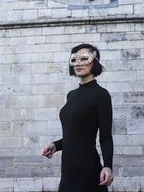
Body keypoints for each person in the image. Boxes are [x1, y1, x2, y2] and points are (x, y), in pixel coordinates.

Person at [42, 43, 114, 192]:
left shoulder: (101, 95)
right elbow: (74, 135)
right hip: (68, 171)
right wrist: (55, 146)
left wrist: (108, 166)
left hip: (88, 170)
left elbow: (105, 137)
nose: (78, 63)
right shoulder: (71, 95)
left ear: (94, 62)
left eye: (84, 58)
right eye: (74, 59)